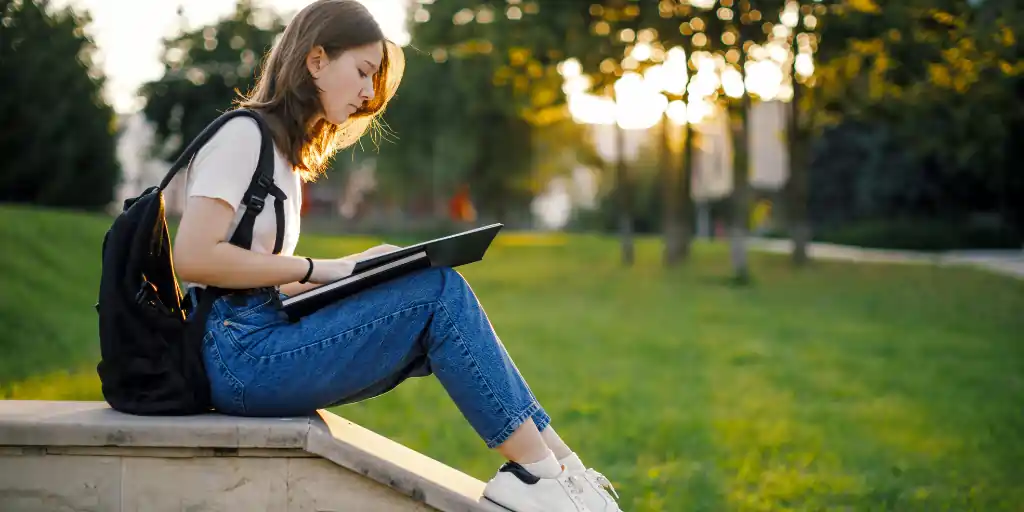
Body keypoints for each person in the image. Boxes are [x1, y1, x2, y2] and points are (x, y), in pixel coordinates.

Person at [171, 1, 622, 511]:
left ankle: (564, 471)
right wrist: (318, 268)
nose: (368, 94)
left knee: (436, 288)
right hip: (238, 359)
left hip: (257, 337)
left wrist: (361, 268)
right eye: (363, 73)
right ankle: (538, 476)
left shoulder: (282, 158)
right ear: (315, 60)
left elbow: (256, 281)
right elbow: (193, 258)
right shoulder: (241, 135)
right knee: (439, 291)